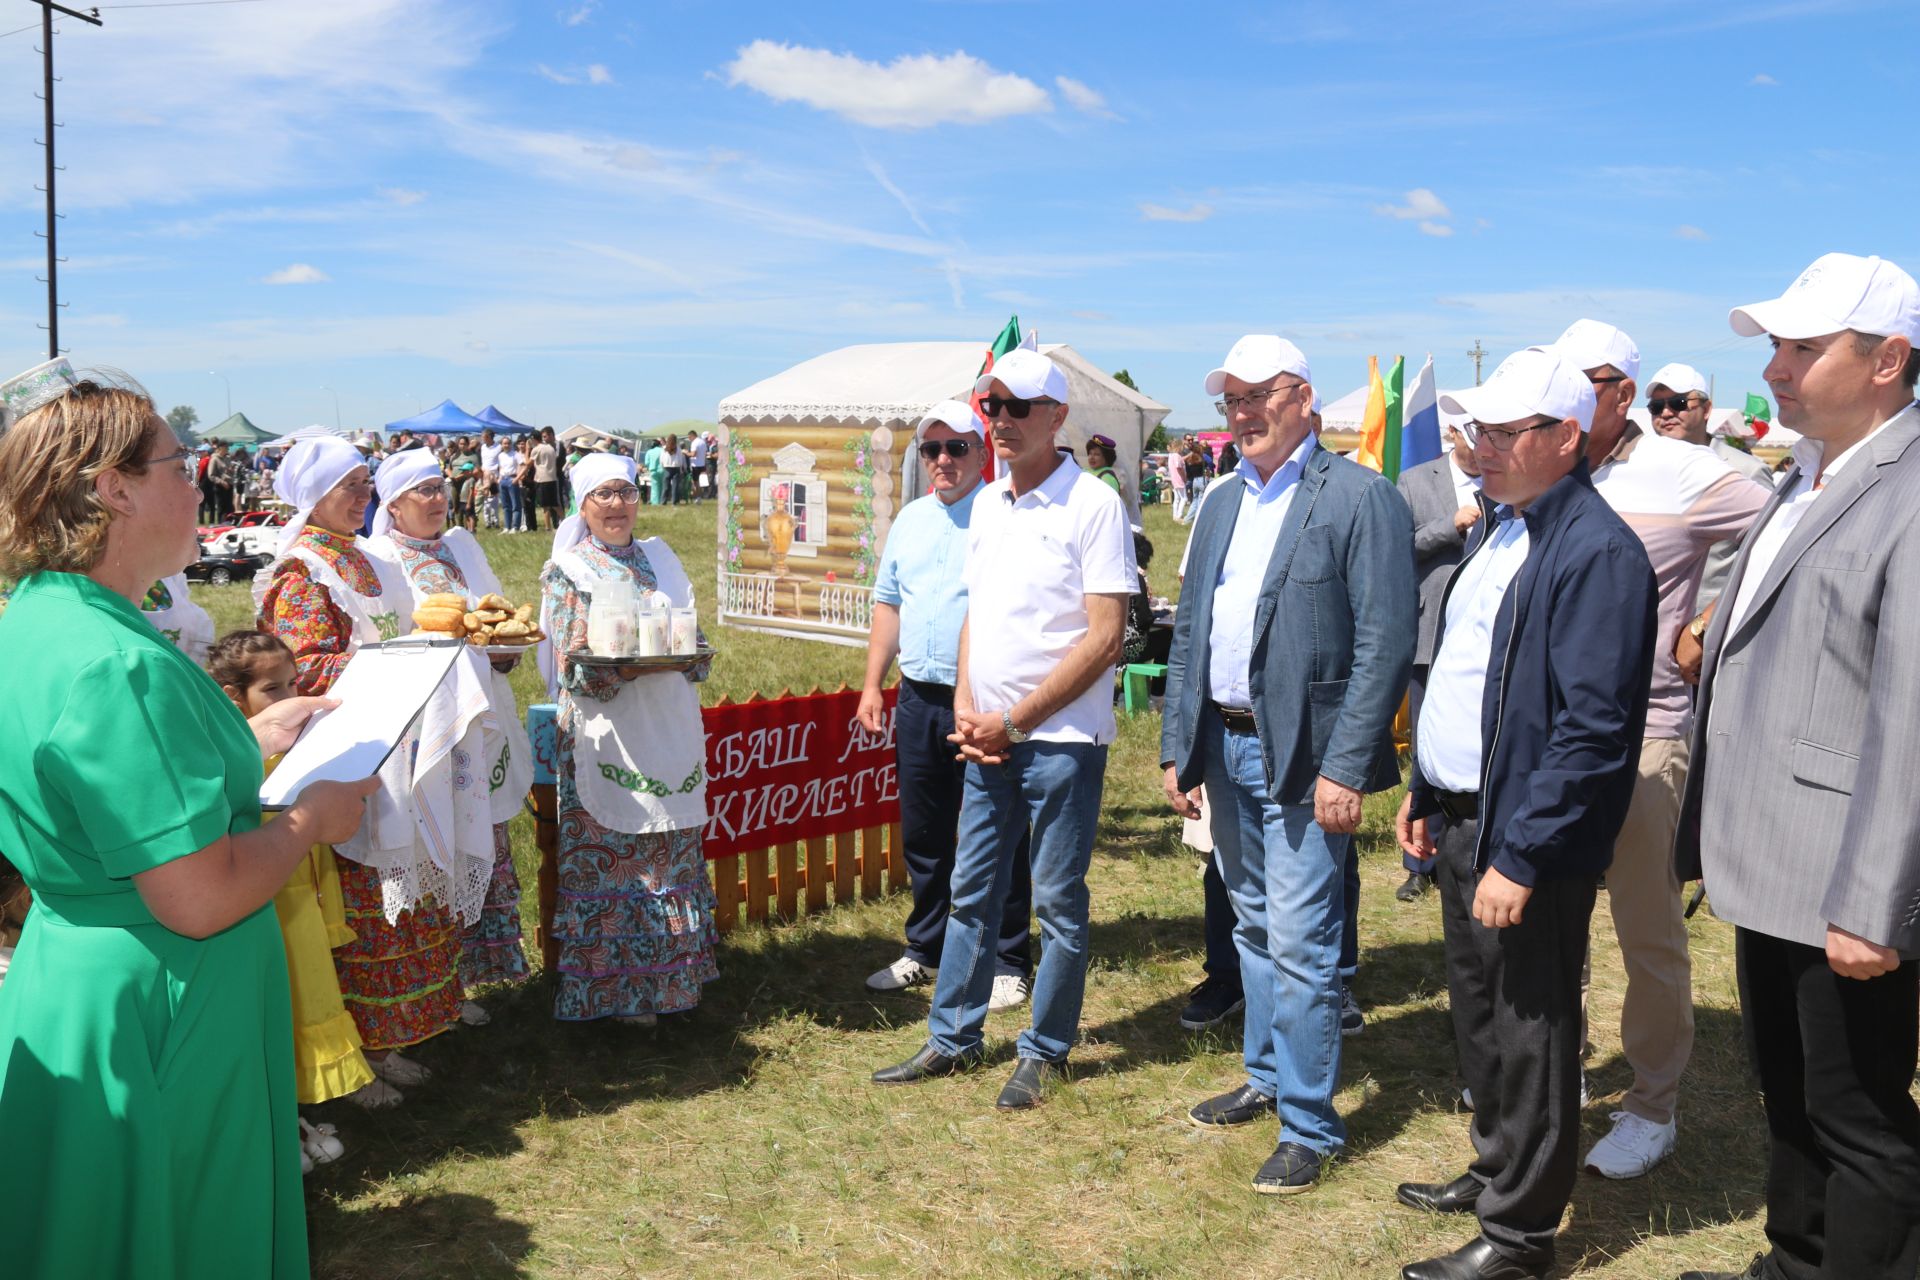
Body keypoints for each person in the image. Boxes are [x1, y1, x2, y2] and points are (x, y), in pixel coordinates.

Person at [0, 359, 375, 1279]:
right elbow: (199, 896)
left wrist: (246, 739)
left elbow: (102, 796)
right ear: (111, 490)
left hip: (79, 978)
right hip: (166, 994)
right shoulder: (116, 661)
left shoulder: (40, 620)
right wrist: (307, 821)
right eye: (178, 461)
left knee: (96, 1232)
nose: (197, 475)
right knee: (182, 1233)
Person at [1672, 252, 1920, 1280]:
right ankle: (1795, 1260)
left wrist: (1876, 898)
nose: (1776, 368)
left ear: (1888, 360)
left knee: (1859, 1117)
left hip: (1842, 877)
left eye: (1804, 347)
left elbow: (1911, 717)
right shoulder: (1800, 477)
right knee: (1790, 1087)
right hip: (1770, 857)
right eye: (1776, 345)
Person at [1391, 345, 1657, 1280]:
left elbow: (1590, 731)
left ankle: (1520, 1237)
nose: (1480, 447)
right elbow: (1464, 677)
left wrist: (1525, 853)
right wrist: (1427, 788)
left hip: (1524, 835)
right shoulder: (1501, 530)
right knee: (1478, 1010)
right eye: (1478, 430)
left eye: (1505, 432)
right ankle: (1500, 1165)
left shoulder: (1596, 552)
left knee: (1532, 1022)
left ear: (1565, 437)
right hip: (1468, 814)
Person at [1160, 334, 1415, 1195]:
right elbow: (1192, 627)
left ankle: (1310, 1123)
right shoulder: (1224, 501)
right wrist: (1179, 745)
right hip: (1226, 746)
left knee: (1304, 943)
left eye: (1255, 396)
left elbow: (1385, 640)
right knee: (1253, 927)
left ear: (1301, 395)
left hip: (1307, 758)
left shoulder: (1359, 497)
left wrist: (1348, 764)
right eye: (1229, 401)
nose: (1240, 415)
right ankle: (1266, 1076)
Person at [870, 346, 1135, 1110]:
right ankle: (952, 1037)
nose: (1002, 421)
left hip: (1057, 744)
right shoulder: (989, 503)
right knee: (971, 891)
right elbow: (977, 613)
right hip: (987, 735)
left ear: (1057, 416)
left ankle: (1044, 1051)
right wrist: (962, 703)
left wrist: (1012, 721)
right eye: (993, 407)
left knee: (1056, 902)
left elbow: (1105, 637)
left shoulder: (1093, 504)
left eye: (1019, 407)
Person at [1549, 319, 1771, 1180]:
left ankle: (1651, 1104)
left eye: (1591, 377)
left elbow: (1788, 526)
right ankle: (1556, 1070)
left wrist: (1708, 625)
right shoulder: (1545, 461)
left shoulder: (1681, 470)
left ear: (1623, 391)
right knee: (1550, 917)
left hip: (1647, 732)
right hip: (1548, 736)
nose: (1573, 388)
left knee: (1645, 930)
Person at [256, 435, 464, 1103]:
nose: (361, 495)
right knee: (360, 902)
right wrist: (398, 659)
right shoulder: (301, 571)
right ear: (310, 496)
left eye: (363, 483)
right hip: (344, 749)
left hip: (395, 737)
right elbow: (300, 666)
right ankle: (358, 1049)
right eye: (347, 486)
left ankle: (396, 1031)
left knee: (401, 892)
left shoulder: (363, 560)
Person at [858, 399, 1034, 1010]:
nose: (942, 460)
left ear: (981, 453)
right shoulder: (909, 520)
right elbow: (888, 604)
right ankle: (927, 946)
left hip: (984, 701)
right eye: (931, 450)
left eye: (956, 447)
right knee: (925, 832)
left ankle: (1010, 957)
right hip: (918, 699)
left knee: (998, 829)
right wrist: (872, 683)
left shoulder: (1001, 512)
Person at [538, 453, 719, 1024]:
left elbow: (694, 642)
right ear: (582, 505)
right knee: (619, 860)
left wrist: (685, 658)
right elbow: (570, 665)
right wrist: (626, 667)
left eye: (626, 492)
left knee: (669, 857)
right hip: (606, 734)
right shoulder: (569, 569)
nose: (617, 505)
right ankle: (615, 995)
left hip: (665, 725)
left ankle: (671, 984)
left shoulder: (660, 559)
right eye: (603, 495)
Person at [364, 450, 533, 1023]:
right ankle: (439, 982)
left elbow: (497, 616)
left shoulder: (462, 545)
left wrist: (506, 651)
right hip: (427, 722)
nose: (438, 500)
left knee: (481, 829)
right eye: (423, 491)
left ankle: (481, 969)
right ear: (392, 504)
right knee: (437, 840)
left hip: (481, 710)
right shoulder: (381, 557)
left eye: (440, 488)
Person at [208, 630, 374, 1172]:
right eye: (274, 690)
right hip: (264, 894)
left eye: (294, 684)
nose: (290, 699)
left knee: (304, 990)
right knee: (275, 999)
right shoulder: (230, 756)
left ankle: (292, 1114)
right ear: (236, 698)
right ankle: (277, 1125)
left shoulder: (294, 744)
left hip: (300, 886)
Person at [1394, 414, 1483, 903]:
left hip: (1484, 635)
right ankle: (1418, 863)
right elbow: (1398, 547)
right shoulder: (1415, 480)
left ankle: (1468, 850)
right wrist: (1448, 527)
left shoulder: (1502, 473)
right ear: (1453, 434)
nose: (1479, 447)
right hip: (1432, 634)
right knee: (1427, 746)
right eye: (1470, 437)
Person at [1641, 361, 1776, 614]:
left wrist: (1708, 623)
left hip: (1709, 629)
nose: (1666, 413)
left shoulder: (1745, 471)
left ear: (1706, 409)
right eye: (1656, 407)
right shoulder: (1639, 469)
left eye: (1678, 403)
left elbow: (1768, 557)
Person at [530, 427, 562, 530]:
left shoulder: (536, 449)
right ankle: (564, 519)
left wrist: (527, 450)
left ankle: (548, 527)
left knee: (545, 506)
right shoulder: (550, 448)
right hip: (552, 478)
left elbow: (527, 463)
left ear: (533, 439)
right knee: (555, 504)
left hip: (542, 479)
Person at [498, 434, 525, 533]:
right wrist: (499, 478)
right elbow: (501, 467)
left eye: (508, 443)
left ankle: (515, 526)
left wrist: (517, 478)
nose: (506, 445)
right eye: (504, 443)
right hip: (503, 480)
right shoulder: (500, 455)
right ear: (501, 445)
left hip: (512, 479)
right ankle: (507, 527)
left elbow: (523, 466)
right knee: (505, 506)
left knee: (515, 505)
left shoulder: (515, 454)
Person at [479, 428, 502, 529]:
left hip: (494, 475)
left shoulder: (498, 447)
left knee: (494, 500)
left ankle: (495, 521)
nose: (482, 439)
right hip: (484, 475)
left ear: (488, 437)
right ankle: (487, 522)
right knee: (485, 500)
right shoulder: (483, 447)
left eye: (483, 437)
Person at [1168, 441, 1190, 521]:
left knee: (1177, 498)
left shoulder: (1171, 456)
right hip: (1179, 479)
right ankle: (1179, 515)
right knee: (1184, 498)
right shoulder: (1177, 456)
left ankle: (1175, 515)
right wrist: (1184, 477)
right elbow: (1178, 467)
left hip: (1174, 479)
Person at [644, 436, 667, 506]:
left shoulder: (649, 452)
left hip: (653, 471)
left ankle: (655, 502)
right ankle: (662, 500)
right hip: (662, 470)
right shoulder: (662, 450)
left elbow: (646, 463)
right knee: (662, 486)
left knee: (654, 487)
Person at [689, 430, 710, 502]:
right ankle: (700, 496)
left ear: (692, 436)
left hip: (696, 465)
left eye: (689, 437)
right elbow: (705, 453)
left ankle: (697, 497)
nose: (689, 439)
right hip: (702, 464)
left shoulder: (694, 443)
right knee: (701, 482)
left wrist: (685, 453)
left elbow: (693, 454)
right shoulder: (703, 442)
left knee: (695, 482)